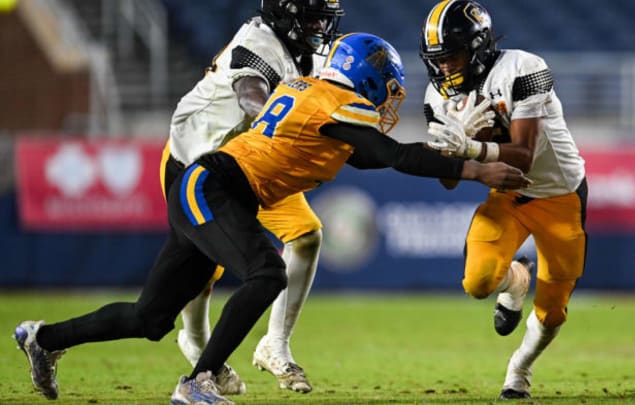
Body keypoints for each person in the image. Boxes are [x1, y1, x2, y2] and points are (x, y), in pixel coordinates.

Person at [14, 32, 531, 405]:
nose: (386, 97)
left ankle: (44, 339)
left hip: (212, 191)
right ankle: (197, 383)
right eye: (384, 85)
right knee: (267, 272)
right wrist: (477, 169)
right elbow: (394, 156)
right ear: (367, 77)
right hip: (212, 186)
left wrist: (469, 160)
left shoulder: (313, 94)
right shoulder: (338, 102)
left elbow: (372, 155)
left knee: (151, 319)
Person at [161, 0, 344, 394]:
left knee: (307, 235)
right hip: (198, 162)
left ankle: (275, 344)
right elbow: (250, 95)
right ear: (284, 13)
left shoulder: (311, 52)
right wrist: (284, 126)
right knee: (202, 268)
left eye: (323, 19)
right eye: (311, 17)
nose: (319, 27)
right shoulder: (257, 44)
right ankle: (196, 342)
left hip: (253, 163)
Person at [420, 0, 587, 399]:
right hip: (507, 193)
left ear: (478, 46)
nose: (444, 67)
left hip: (559, 193)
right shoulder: (437, 97)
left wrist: (472, 148)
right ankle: (517, 278)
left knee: (552, 311)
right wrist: (453, 147)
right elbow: (447, 183)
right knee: (477, 282)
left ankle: (519, 370)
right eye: (437, 59)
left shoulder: (523, 69)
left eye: (453, 55)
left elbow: (525, 154)